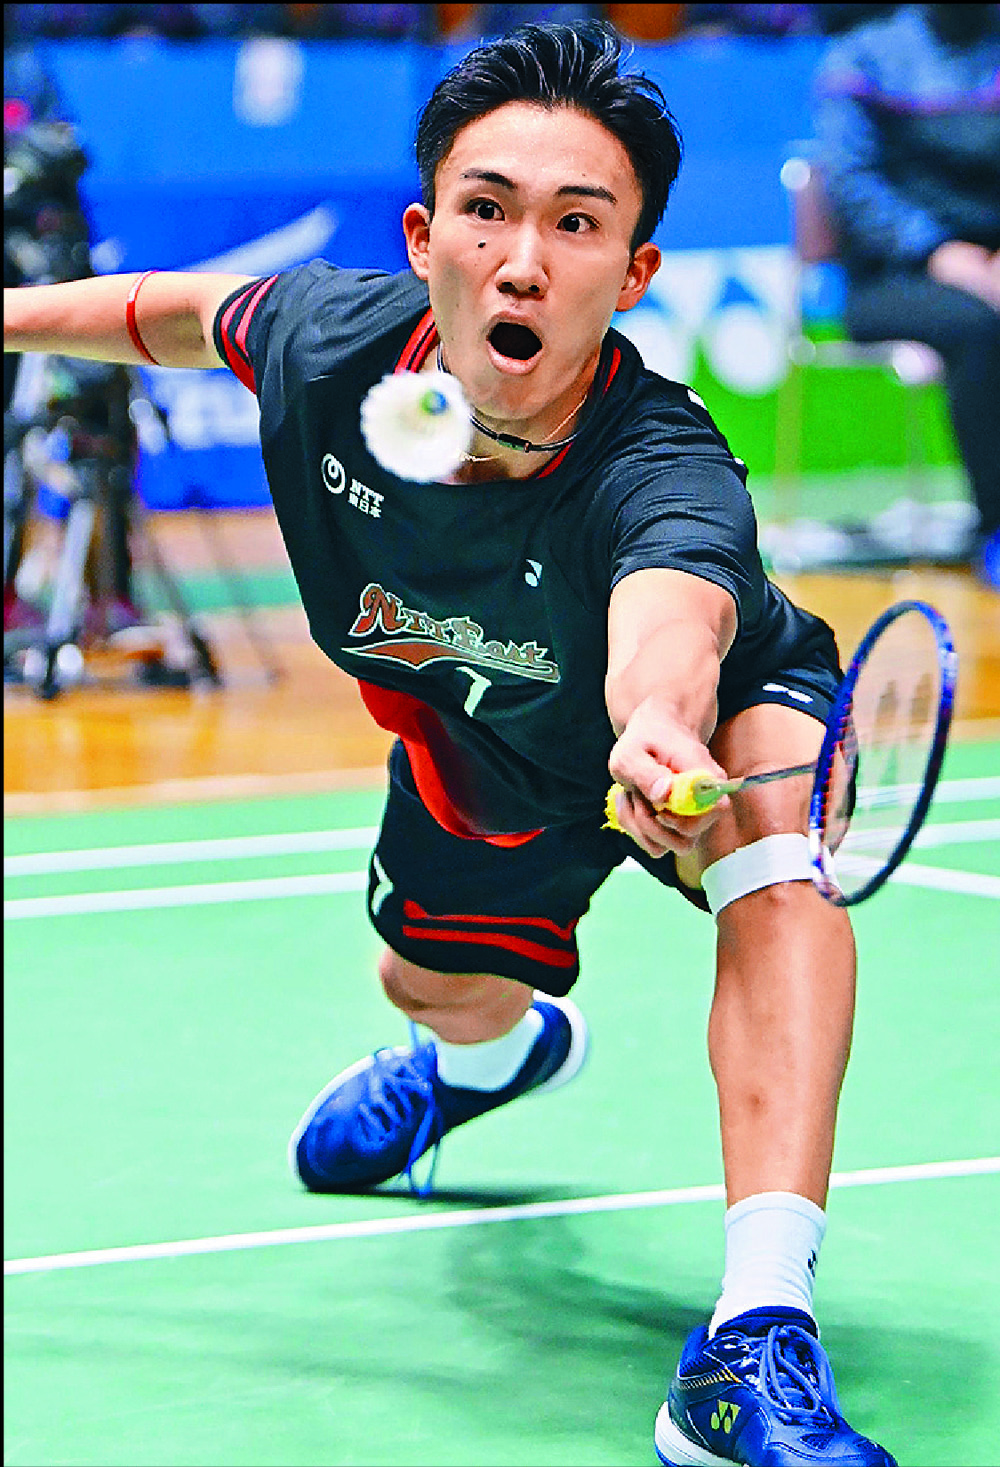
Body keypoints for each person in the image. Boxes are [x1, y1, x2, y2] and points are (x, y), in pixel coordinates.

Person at [3, 22, 896, 1466]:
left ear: (634, 273)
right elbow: (171, 312)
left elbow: (671, 621)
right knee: (433, 983)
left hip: (697, 725)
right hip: (487, 756)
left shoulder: (665, 471)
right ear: (425, 238)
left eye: (577, 224)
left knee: (772, 861)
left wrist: (658, 725)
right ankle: (488, 1063)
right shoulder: (327, 345)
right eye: (488, 209)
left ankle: (752, 1340)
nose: (523, 261)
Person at [814, 2, 1000, 589]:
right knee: (980, 326)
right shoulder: (864, 59)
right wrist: (936, 250)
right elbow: (850, 181)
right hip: (892, 278)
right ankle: (995, 527)